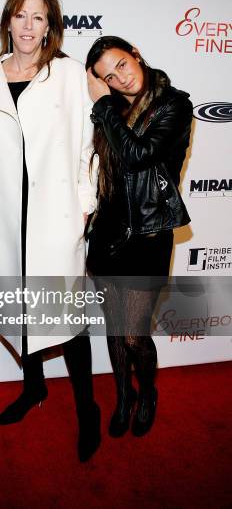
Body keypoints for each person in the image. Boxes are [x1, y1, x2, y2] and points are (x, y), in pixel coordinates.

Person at [0, 0, 100, 462]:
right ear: (8, 21)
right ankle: (33, 389)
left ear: (51, 27)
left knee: (67, 320)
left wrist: (85, 204)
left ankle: (86, 408)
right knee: (19, 309)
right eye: (21, 16)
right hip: (5, 218)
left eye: (39, 17)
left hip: (56, 215)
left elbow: (92, 147)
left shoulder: (69, 74)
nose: (29, 26)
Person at [85, 35, 192, 438]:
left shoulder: (174, 105)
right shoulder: (110, 109)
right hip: (107, 234)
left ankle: (146, 393)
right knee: (115, 328)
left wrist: (101, 104)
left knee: (134, 333)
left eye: (122, 66)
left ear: (137, 56)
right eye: (108, 78)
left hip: (146, 236)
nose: (120, 79)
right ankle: (122, 398)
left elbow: (138, 155)